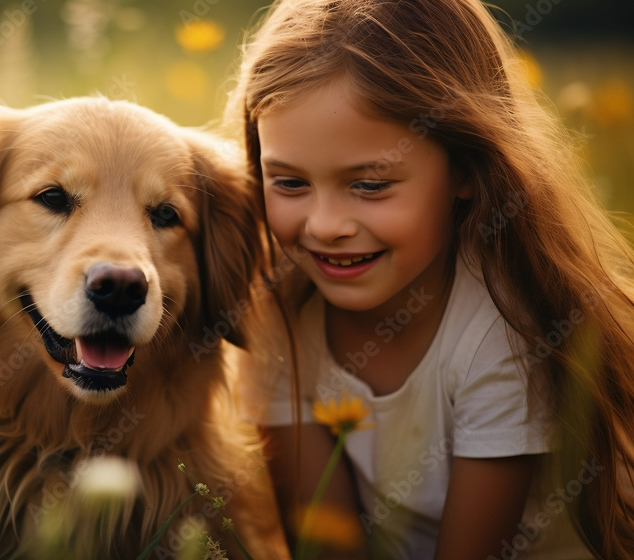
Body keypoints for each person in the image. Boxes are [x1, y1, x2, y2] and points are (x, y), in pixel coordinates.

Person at [225, 0, 634, 558]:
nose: (324, 226)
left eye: (369, 185)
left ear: (464, 171)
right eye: (290, 183)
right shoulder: (276, 312)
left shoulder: (500, 336)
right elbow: (329, 543)